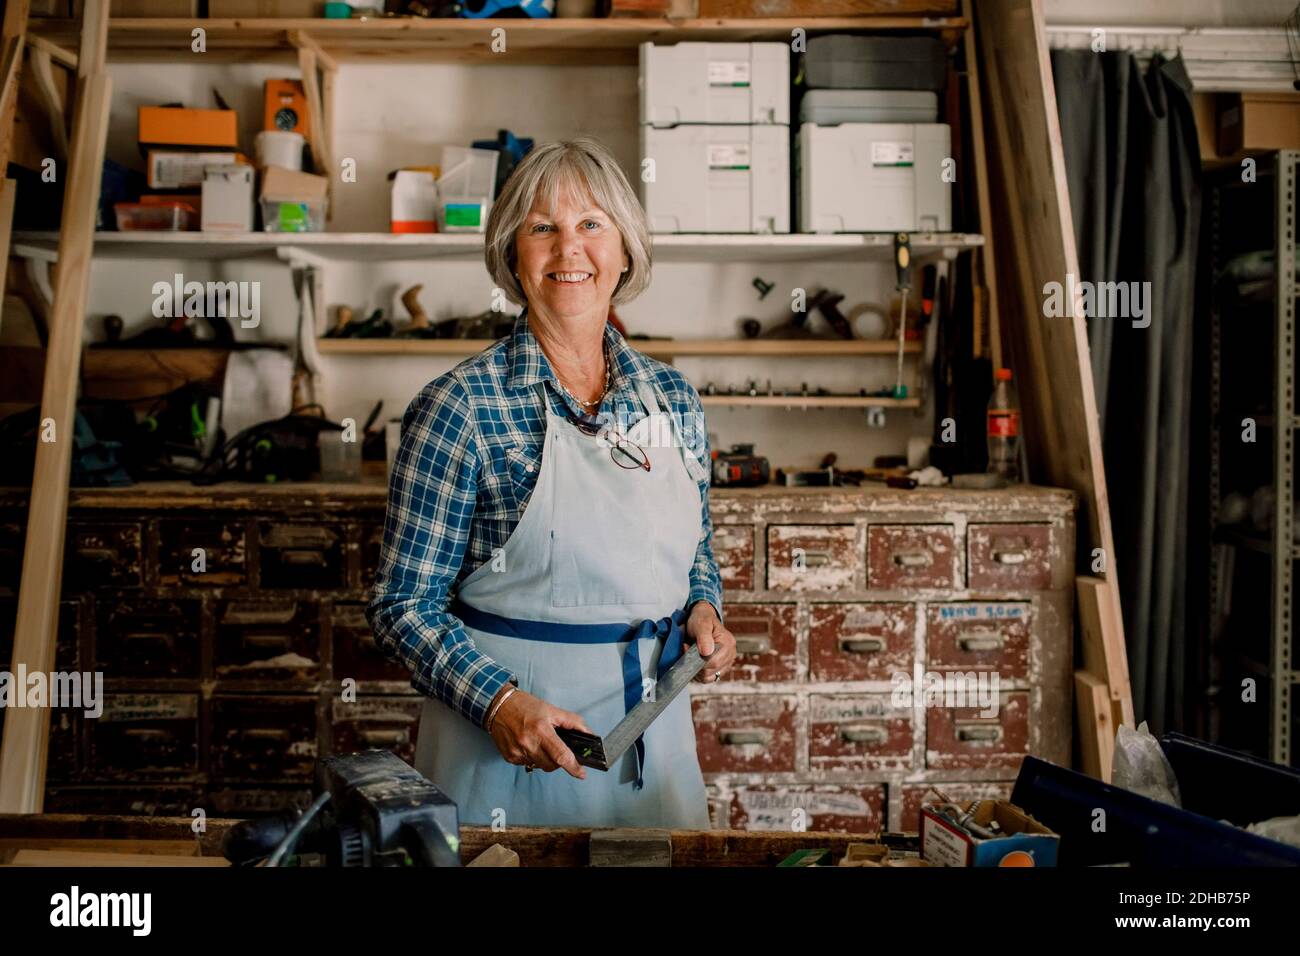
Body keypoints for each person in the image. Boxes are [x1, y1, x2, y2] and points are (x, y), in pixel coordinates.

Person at [367, 137, 737, 829]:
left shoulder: (673, 399)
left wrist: (704, 612)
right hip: (508, 758)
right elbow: (401, 606)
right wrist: (498, 703)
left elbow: (695, 554)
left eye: (592, 225)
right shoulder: (461, 407)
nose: (570, 250)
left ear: (625, 251)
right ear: (513, 255)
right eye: (543, 228)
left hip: (655, 746)